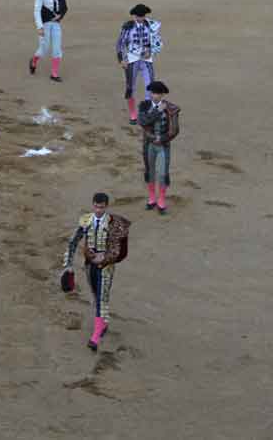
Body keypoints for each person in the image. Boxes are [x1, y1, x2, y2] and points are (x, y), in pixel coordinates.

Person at [62, 193, 131, 351]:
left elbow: (121, 251)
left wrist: (105, 257)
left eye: (102, 207)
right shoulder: (86, 221)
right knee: (95, 294)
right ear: (93, 205)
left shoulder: (115, 224)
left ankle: (96, 335)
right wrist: (68, 265)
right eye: (96, 206)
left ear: (106, 206)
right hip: (89, 265)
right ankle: (103, 323)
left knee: (102, 297)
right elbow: (73, 242)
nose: (99, 210)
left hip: (106, 267)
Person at [138, 81, 180, 215]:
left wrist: (161, 139)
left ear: (162, 94)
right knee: (150, 171)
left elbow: (174, 130)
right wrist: (157, 111)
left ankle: (161, 200)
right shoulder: (144, 106)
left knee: (162, 173)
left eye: (157, 93)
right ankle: (152, 198)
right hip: (149, 143)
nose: (154, 96)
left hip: (162, 145)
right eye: (152, 93)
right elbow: (142, 122)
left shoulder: (171, 108)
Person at [117, 4, 163, 125]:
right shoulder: (128, 27)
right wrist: (121, 59)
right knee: (130, 87)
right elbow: (120, 44)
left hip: (146, 59)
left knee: (151, 87)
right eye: (138, 16)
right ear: (134, 16)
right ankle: (133, 115)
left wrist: (150, 50)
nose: (140, 18)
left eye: (142, 16)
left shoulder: (151, 25)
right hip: (132, 58)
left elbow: (156, 42)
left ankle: (147, 114)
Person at [29, 0, 67, 82]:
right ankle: (34, 60)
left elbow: (64, 7)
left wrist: (60, 16)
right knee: (44, 49)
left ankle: (54, 74)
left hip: (55, 23)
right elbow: (37, 11)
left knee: (57, 48)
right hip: (45, 23)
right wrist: (39, 27)